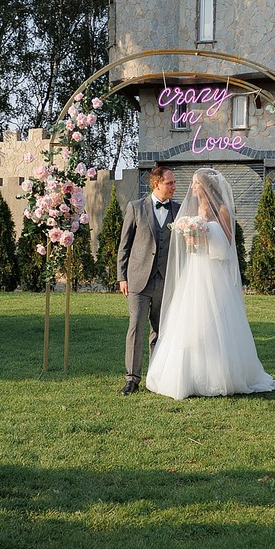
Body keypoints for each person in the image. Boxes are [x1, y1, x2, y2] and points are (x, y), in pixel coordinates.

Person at [142, 167, 275, 400]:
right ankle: (188, 374)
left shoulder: (223, 211)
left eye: (196, 183)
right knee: (189, 320)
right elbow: (191, 247)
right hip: (195, 272)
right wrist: (191, 238)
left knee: (213, 320)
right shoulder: (196, 210)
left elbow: (226, 249)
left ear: (205, 186)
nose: (192, 187)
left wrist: (203, 237)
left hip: (213, 273)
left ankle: (219, 375)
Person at [118, 165, 178, 395]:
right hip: (138, 280)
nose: (174, 187)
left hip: (166, 280)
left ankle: (155, 376)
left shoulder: (178, 210)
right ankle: (132, 378)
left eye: (173, 183)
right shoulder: (136, 208)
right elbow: (124, 245)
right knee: (136, 327)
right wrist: (122, 276)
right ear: (156, 184)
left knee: (160, 330)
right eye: (170, 183)